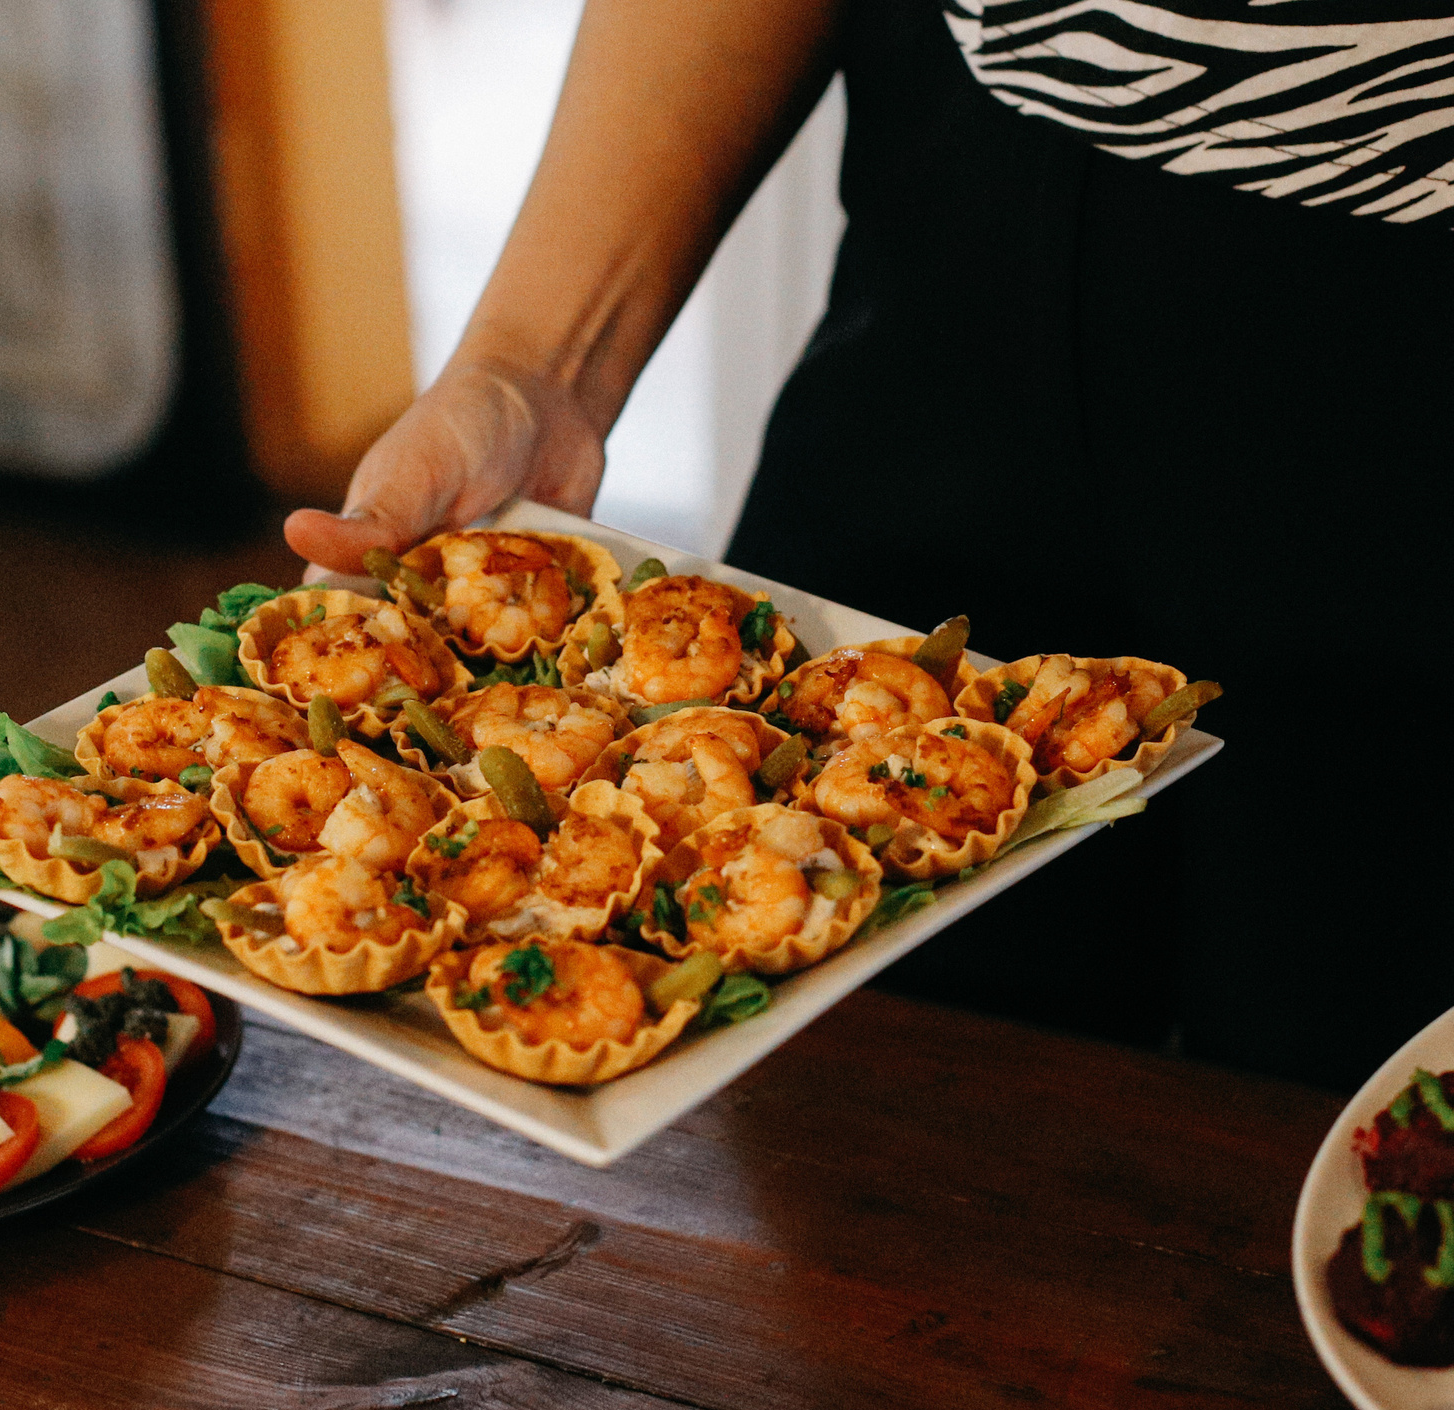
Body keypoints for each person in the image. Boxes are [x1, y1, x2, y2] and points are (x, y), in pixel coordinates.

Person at [285, 0, 1453, 1094]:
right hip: (957, 241)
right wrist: (533, 365)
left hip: (1404, 344)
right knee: (860, 1119)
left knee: (1336, 1118)